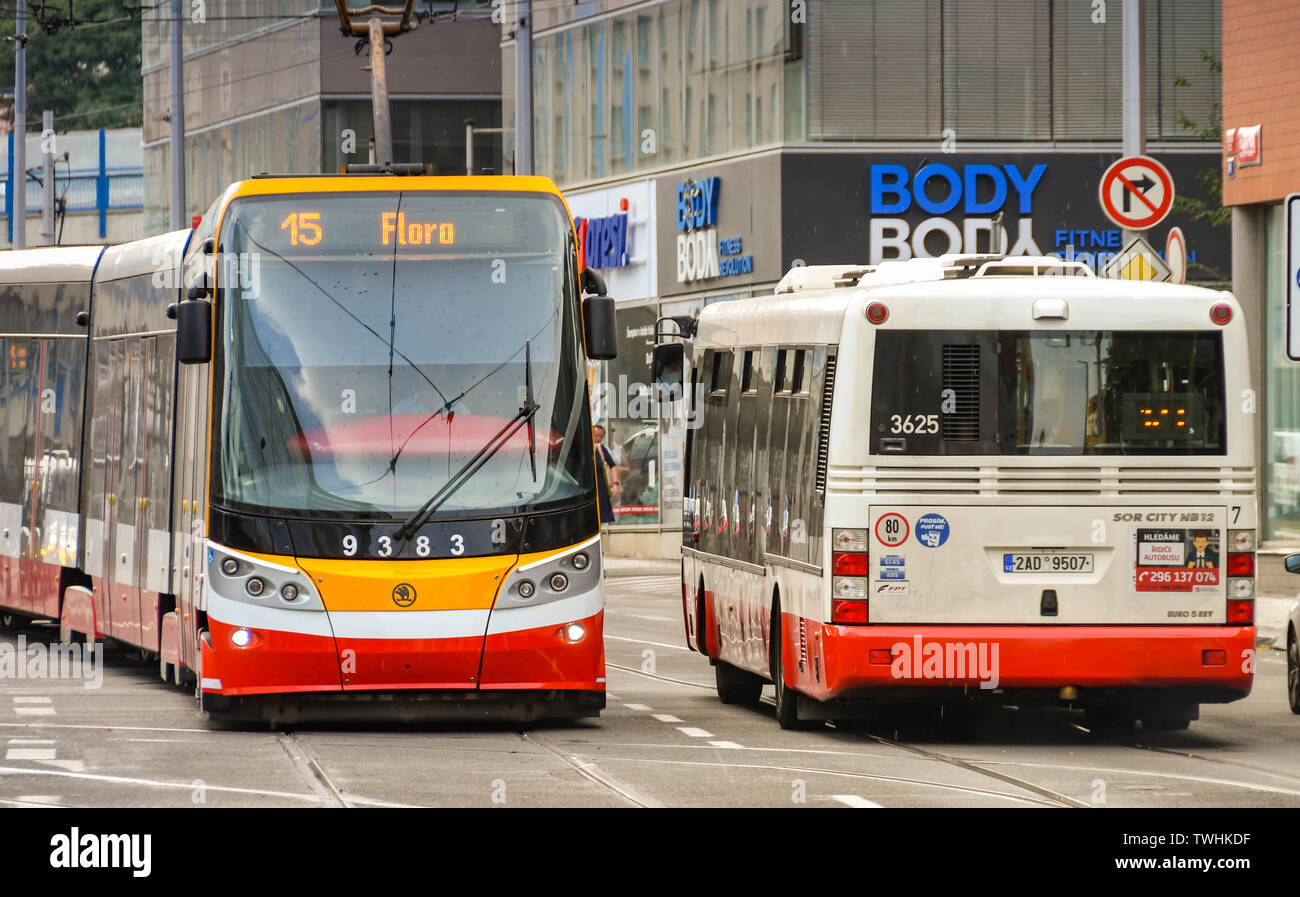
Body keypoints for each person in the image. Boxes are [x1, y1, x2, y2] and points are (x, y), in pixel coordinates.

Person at [593, 424, 619, 523]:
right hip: (587, 491)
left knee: (601, 519)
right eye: (596, 435)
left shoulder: (601, 449)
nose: (598, 439)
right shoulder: (583, 448)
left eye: (601, 436)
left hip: (601, 489)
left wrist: (615, 484)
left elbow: (613, 466)